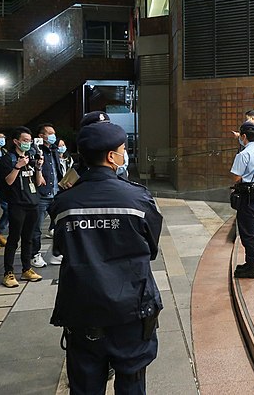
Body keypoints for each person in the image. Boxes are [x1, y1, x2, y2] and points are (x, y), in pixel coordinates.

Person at [49, 112, 163, 395]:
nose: (125, 156)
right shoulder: (137, 198)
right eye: (123, 151)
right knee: (132, 383)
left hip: (82, 309)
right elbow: (151, 249)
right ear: (111, 157)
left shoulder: (64, 202)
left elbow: (60, 249)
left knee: (85, 386)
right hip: (131, 309)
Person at [0, 126, 45, 287]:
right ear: (16, 141)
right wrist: (18, 166)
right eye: (25, 141)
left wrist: (38, 167)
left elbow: (38, 183)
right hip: (17, 204)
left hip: (33, 202)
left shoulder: (31, 157)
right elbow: (8, 181)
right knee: (13, 238)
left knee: (28, 238)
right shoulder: (7, 159)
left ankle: (26, 269)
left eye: (30, 141)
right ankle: (9, 272)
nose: (28, 143)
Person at [231, 121, 254, 279]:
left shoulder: (243, 154)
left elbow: (237, 177)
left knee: (248, 233)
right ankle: (251, 263)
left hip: (247, 197)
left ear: (244, 136)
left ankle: (253, 267)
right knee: (252, 232)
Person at [32, 123, 63, 268]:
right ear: (41, 136)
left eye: (54, 133)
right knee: (36, 227)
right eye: (49, 133)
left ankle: (57, 253)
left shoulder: (54, 150)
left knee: (59, 225)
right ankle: (34, 254)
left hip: (56, 193)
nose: (53, 136)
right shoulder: (35, 150)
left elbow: (57, 170)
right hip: (42, 194)